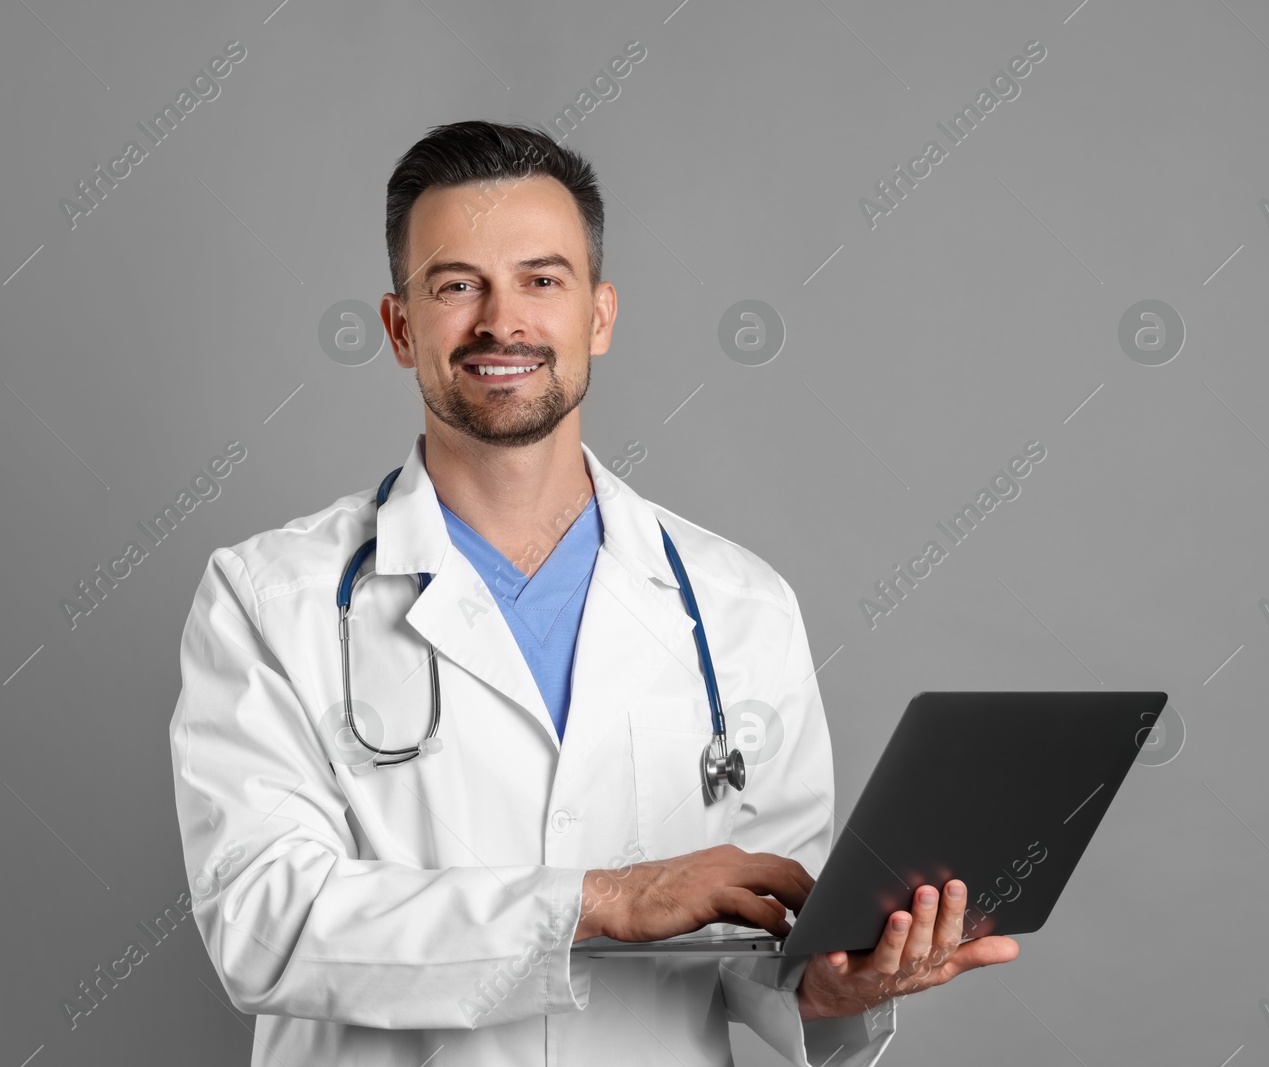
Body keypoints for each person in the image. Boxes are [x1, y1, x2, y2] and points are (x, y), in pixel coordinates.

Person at [168, 119, 1019, 1066]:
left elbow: (768, 956)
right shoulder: (266, 599)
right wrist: (600, 899)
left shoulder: (738, 606)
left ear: (599, 316)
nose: (503, 322)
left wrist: (830, 988)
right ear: (402, 327)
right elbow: (263, 924)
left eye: (542, 279)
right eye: (458, 285)